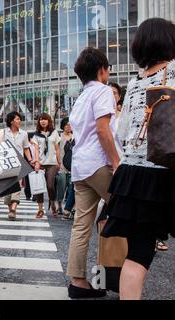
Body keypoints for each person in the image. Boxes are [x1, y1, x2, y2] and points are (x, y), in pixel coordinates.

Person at [101, 18, 175, 300]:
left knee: (139, 253)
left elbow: (121, 131)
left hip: (134, 174)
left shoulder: (134, 83)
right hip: (166, 169)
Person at [66, 47, 120, 299]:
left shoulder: (80, 98)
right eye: (107, 69)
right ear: (101, 70)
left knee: (82, 225)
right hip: (100, 164)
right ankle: (116, 277)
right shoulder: (103, 91)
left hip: (80, 167)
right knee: (123, 213)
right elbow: (103, 130)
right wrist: (117, 162)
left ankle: (79, 282)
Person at [0, 111, 34, 220]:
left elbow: (26, 148)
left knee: (17, 186)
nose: (19, 121)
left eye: (20, 119)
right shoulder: (3, 132)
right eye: (17, 119)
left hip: (19, 162)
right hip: (6, 163)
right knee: (8, 188)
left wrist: (31, 160)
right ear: (11, 121)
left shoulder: (24, 134)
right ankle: (11, 210)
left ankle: (13, 207)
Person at [31, 113, 61, 218]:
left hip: (52, 164)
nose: (42, 121)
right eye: (40, 120)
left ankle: (52, 204)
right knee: (39, 188)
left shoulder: (54, 133)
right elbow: (35, 150)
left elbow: (57, 149)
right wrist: (37, 163)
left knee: (50, 186)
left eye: (45, 119)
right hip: (41, 164)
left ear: (49, 121)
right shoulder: (36, 135)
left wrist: (59, 162)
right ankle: (40, 209)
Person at [55, 117, 73, 216]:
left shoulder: (75, 136)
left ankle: (69, 206)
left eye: (70, 125)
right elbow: (56, 151)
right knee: (61, 185)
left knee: (71, 187)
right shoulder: (59, 137)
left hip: (72, 166)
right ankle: (59, 205)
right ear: (63, 126)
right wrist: (58, 163)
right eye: (66, 125)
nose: (68, 127)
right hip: (61, 165)